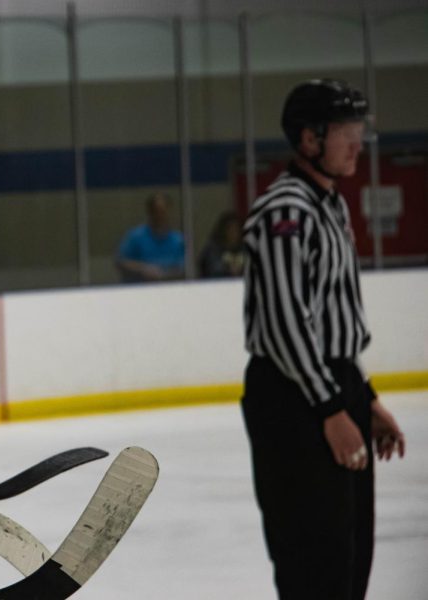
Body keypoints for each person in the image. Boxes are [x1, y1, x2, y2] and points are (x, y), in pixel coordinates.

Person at [241, 79, 405, 600]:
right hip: (296, 398)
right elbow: (288, 325)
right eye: (344, 133)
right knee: (313, 558)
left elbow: (332, 317)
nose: (357, 144)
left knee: (349, 556)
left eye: (360, 132)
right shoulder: (286, 212)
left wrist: (365, 396)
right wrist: (332, 407)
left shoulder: (329, 203)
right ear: (309, 139)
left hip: (333, 386)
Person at [116, 192, 185, 282]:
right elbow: (121, 262)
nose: (160, 216)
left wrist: (165, 274)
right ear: (150, 212)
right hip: (140, 289)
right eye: (157, 212)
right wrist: (143, 268)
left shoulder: (178, 240)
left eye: (163, 212)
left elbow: (185, 268)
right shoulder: (136, 236)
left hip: (170, 288)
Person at [198, 210, 244, 278]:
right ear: (223, 230)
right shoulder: (213, 250)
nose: (234, 233)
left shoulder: (246, 249)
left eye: (236, 229)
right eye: (230, 229)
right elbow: (212, 270)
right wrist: (228, 271)